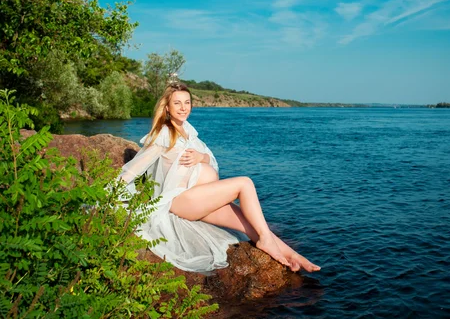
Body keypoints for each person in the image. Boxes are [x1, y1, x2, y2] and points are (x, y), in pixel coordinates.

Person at [118, 83, 320, 273]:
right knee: (245, 183)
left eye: (187, 102)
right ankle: (267, 240)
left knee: (251, 223)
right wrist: (111, 194)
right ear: (167, 108)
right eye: (177, 103)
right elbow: (134, 169)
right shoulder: (163, 134)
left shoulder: (189, 132)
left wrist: (201, 157)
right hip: (181, 201)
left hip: (200, 201)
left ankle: (294, 257)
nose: (183, 108)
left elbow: (211, 160)